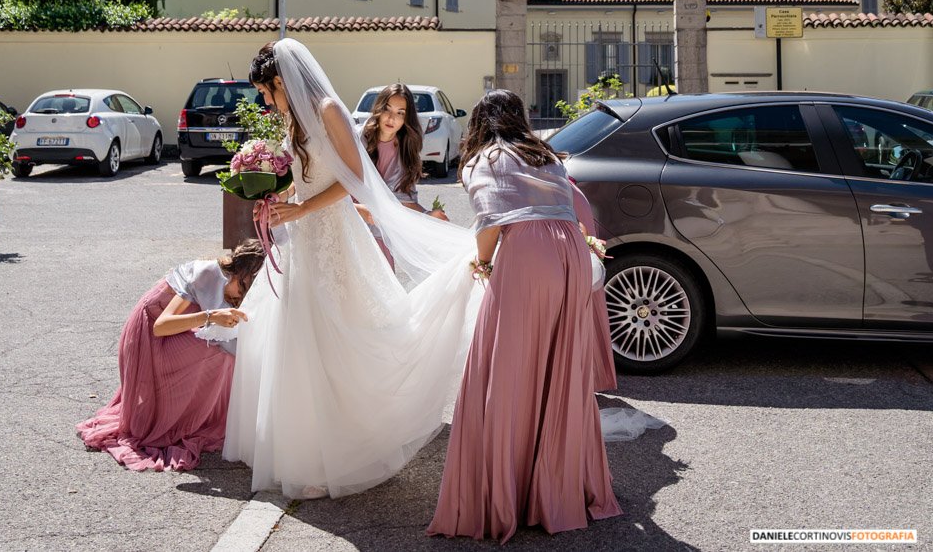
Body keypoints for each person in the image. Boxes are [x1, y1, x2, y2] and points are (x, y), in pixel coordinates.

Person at [197, 38, 483, 499]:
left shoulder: (329, 109)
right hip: (305, 241)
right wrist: (278, 202)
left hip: (334, 236)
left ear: (281, 80)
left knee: (338, 334)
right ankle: (304, 449)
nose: (266, 102)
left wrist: (302, 209)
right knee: (300, 339)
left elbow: (355, 181)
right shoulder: (293, 117)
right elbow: (306, 179)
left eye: (268, 93)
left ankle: (343, 449)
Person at [427, 89, 622, 543]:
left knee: (507, 367)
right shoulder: (545, 155)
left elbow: (490, 223)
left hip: (530, 253)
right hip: (570, 253)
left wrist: (484, 262)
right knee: (560, 369)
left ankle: (506, 493)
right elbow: (569, 210)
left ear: (478, 122)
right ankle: (555, 487)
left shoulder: (487, 158)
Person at [76, 239, 265, 472]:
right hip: (150, 336)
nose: (244, 295)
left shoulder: (236, 286)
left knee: (228, 351)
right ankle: (175, 420)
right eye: (245, 286)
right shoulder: (205, 274)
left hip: (178, 331)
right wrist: (211, 316)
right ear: (237, 272)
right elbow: (161, 326)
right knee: (216, 351)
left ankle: (194, 417)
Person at [356, 83, 448, 267]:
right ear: (378, 110)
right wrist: (359, 208)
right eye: (387, 109)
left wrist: (427, 214)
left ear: (407, 118)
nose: (392, 118)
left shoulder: (406, 149)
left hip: (381, 231)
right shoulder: (358, 139)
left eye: (400, 113)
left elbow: (402, 198)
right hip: (352, 227)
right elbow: (337, 182)